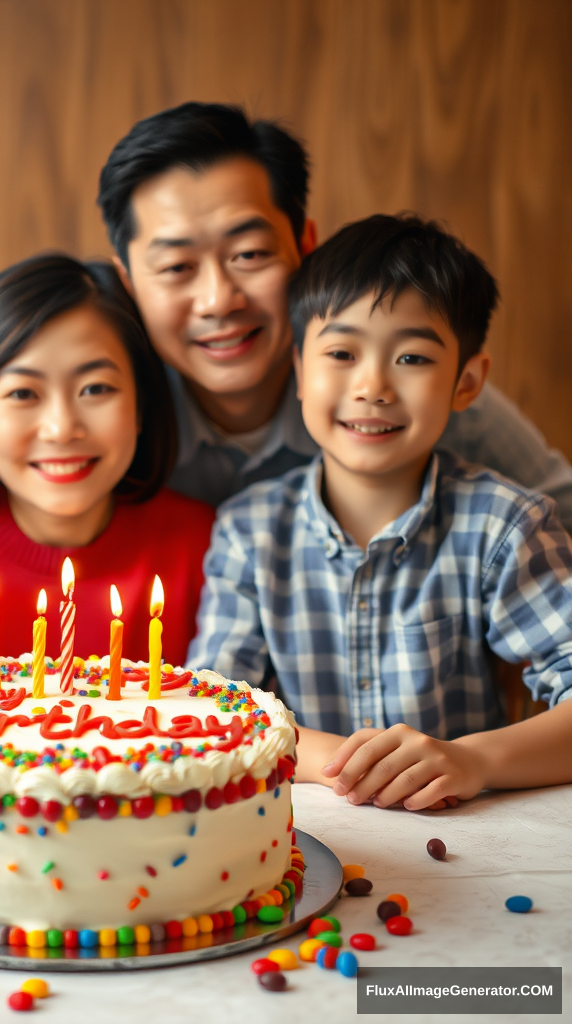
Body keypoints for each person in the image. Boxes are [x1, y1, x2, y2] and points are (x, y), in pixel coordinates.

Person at [0, 103, 572, 534]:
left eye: (249, 253)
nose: (218, 299)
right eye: (176, 267)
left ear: (305, 247)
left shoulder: (398, 390)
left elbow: (560, 518)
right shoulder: (99, 398)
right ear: (128, 281)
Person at [189, 214, 572, 811]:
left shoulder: (504, 524)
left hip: (473, 838)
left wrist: (473, 758)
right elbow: (211, 708)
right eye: (341, 352)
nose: (372, 386)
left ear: (467, 382)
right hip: (306, 836)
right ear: (298, 369)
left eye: (413, 359)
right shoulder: (248, 531)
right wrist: (350, 765)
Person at [0, 254, 214, 671]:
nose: (61, 429)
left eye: (95, 388)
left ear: (141, 405)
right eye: (23, 393)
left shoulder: (208, 550)